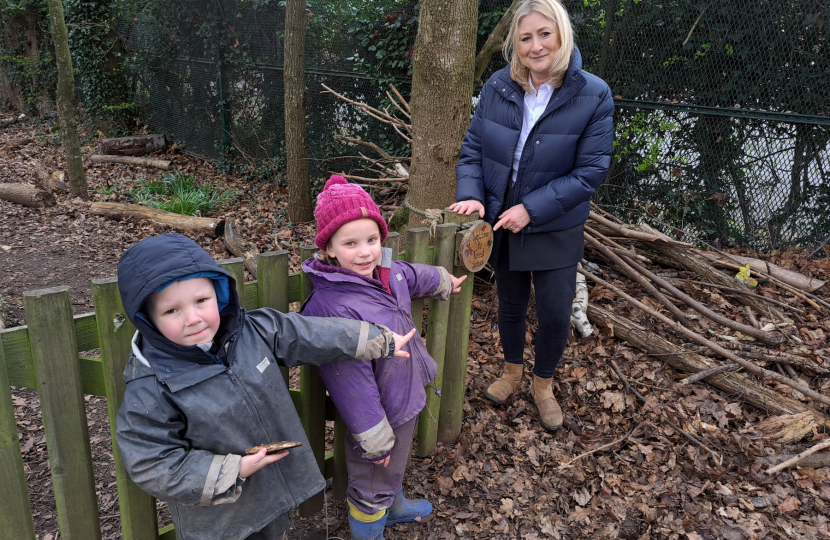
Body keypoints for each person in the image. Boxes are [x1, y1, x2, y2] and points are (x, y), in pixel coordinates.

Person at [114, 232, 417, 540]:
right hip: (220, 518)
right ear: (148, 319)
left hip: (271, 492)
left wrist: (375, 339)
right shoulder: (152, 385)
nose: (193, 318)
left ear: (218, 296)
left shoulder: (249, 331)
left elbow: (307, 334)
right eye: (171, 311)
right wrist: (231, 471)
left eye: (201, 301)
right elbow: (151, 461)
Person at [451, 0, 614, 431]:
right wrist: (473, 196)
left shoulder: (593, 92)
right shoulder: (498, 87)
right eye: (526, 37)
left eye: (545, 34)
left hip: (555, 224)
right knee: (510, 303)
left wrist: (532, 209)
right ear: (515, 44)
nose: (536, 45)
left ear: (561, 35)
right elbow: (472, 151)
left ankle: (543, 386)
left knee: (557, 312)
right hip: (503, 220)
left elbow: (590, 171)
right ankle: (511, 373)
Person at [301, 175, 467, 540]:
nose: (365, 252)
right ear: (328, 248)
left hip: (401, 394)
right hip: (377, 413)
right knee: (373, 477)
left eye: (372, 240)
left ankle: (393, 504)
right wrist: (374, 440)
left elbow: (409, 275)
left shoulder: (384, 274)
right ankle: (369, 527)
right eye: (351, 243)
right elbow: (350, 386)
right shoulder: (332, 309)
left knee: (392, 469)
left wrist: (441, 280)